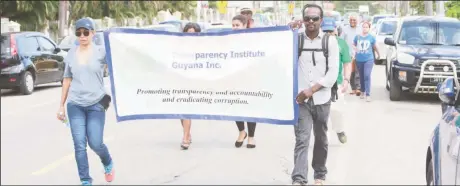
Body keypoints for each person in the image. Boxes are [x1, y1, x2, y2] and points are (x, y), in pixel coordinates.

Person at [56, 17, 114, 185]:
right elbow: (67, 79)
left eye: (86, 32)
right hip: (75, 105)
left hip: (96, 103)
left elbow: (118, 62)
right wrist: (61, 106)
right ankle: (85, 180)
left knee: (95, 143)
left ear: (93, 33)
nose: (82, 36)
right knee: (79, 145)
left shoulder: (101, 52)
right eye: (79, 33)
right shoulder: (71, 54)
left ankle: (108, 162)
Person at [291, 4, 339, 185]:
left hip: (322, 99)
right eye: (307, 18)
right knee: (302, 139)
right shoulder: (296, 40)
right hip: (301, 100)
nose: (310, 21)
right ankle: (299, 178)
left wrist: (311, 90)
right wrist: (288, 30)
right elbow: (278, 52)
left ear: (321, 21)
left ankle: (319, 174)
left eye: (315, 18)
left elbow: (333, 74)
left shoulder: (329, 42)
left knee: (321, 138)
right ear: (303, 20)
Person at [321, 17, 352, 144]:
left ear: (335, 30)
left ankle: (339, 130)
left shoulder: (341, 44)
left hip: (336, 83)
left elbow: (347, 63)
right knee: (322, 114)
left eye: (330, 31)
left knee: (336, 111)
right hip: (320, 84)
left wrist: (346, 80)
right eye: (325, 31)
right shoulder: (317, 43)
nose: (328, 34)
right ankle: (323, 140)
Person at [231, 15, 257, 149]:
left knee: (250, 108)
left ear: (244, 25)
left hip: (250, 78)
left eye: (237, 25)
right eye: (233, 25)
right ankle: (242, 132)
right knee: (236, 106)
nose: (235, 28)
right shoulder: (227, 40)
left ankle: (251, 137)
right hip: (234, 79)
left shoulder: (252, 40)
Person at [179, 23, 202, 150]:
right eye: (188, 33)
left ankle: (186, 137)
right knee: (181, 112)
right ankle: (187, 133)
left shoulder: (202, 48)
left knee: (187, 109)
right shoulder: (179, 47)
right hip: (180, 81)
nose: (190, 36)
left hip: (193, 82)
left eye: (193, 33)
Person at [353, 21, 380, 102]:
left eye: (366, 27)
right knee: (361, 76)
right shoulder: (357, 37)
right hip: (359, 59)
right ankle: (362, 91)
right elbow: (353, 44)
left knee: (367, 75)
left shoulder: (371, 37)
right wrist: (355, 50)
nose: (365, 28)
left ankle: (368, 94)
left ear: (369, 28)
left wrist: (379, 54)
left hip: (369, 59)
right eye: (363, 27)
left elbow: (375, 46)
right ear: (362, 28)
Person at [341, 13, 361, 96]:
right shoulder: (345, 29)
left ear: (357, 21)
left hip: (358, 54)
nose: (352, 21)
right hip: (348, 54)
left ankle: (358, 88)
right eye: (351, 20)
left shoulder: (360, 29)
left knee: (358, 71)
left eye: (354, 20)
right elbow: (341, 41)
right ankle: (353, 88)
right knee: (351, 72)